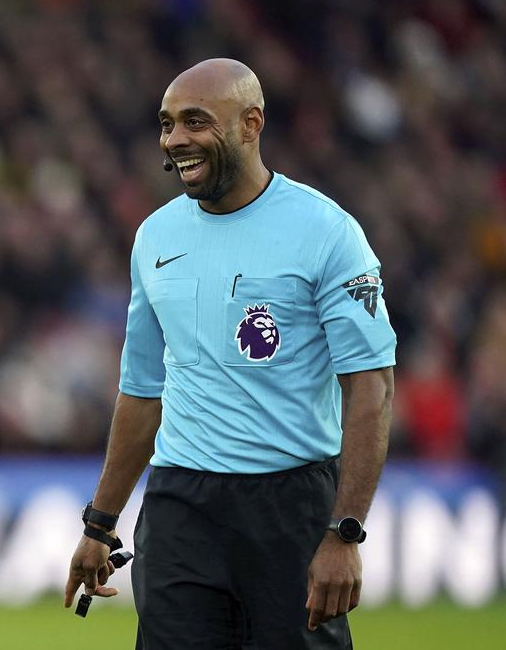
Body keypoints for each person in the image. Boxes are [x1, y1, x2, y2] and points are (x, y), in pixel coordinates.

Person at [63, 58, 396, 649]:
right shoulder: (155, 237)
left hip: (290, 506)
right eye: (166, 124)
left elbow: (371, 386)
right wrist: (100, 522)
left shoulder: (326, 233)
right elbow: (142, 391)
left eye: (195, 122)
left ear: (251, 123)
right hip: (180, 504)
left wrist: (344, 533)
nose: (175, 140)